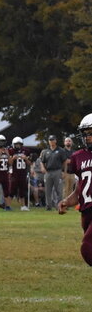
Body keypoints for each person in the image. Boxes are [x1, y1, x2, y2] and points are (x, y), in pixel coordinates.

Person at [58, 113, 92, 265]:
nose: (87, 137)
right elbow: (80, 189)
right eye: (85, 134)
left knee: (87, 248)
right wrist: (67, 201)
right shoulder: (78, 156)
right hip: (86, 211)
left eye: (90, 133)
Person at [40, 135, 70, 211]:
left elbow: (65, 162)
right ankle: (48, 206)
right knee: (48, 190)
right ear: (48, 141)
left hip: (57, 171)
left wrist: (64, 172)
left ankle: (59, 206)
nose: (51, 141)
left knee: (59, 190)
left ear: (55, 141)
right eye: (50, 140)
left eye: (53, 140)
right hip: (48, 172)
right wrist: (43, 168)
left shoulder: (60, 150)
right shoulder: (45, 151)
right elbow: (42, 161)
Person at [9, 137, 32, 211]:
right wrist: (13, 158)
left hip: (23, 173)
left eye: (19, 144)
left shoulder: (26, 151)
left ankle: (23, 206)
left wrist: (25, 158)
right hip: (14, 174)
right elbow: (9, 163)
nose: (18, 146)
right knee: (12, 190)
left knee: (22, 190)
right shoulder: (11, 151)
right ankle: (8, 205)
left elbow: (30, 163)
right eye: (16, 144)